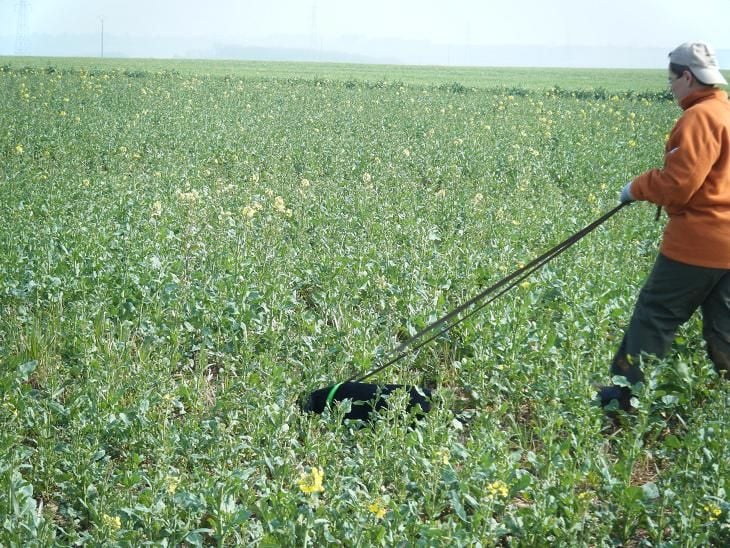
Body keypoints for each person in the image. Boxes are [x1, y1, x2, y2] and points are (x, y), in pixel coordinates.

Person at [599, 41, 730, 412]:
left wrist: (636, 188)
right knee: (724, 328)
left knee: (654, 316)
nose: (670, 87)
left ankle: (625, 397)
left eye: (672, 80)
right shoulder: (725, 111)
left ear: (687, 76)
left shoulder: (699, 118)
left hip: (697, 244)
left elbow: (678, 183)